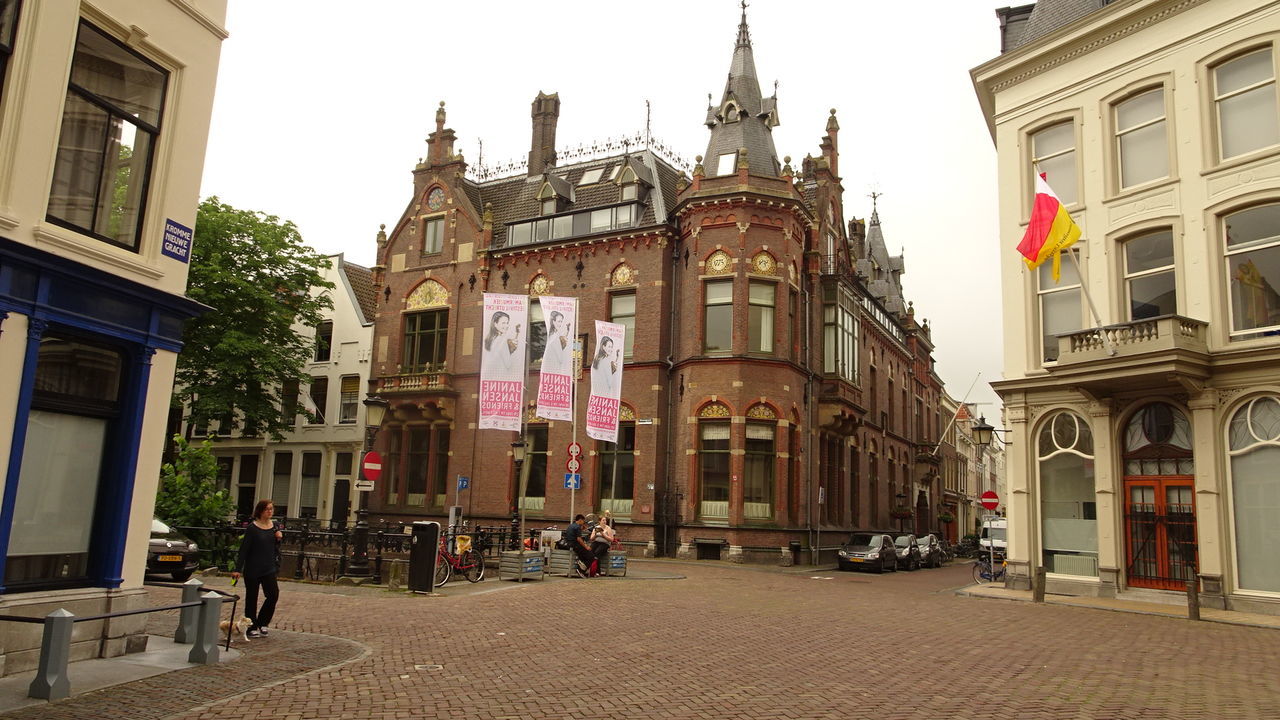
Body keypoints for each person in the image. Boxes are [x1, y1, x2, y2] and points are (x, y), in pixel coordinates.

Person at [232, 500, 282, 638]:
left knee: (273, 594)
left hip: (269, 567)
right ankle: (251, 626)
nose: (270, 512)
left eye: (271, 509)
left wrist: (279, 538)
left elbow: (276, 547)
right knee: (252, 598)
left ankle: (263, 622)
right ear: (260, 511)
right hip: (253, 568)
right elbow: (244, 550)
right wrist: (238, 569)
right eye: (267, 509)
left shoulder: (275, 526)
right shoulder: (252, 528)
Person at [483, 311, 522, 376]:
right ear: (495, 324)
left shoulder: (491, 339)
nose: (506, 325)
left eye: (507, 323)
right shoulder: (502, 340)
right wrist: (510, 350)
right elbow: (508, 364)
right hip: (500, 376)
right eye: (503, 323)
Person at [541, 310, 572, 375]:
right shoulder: (554, 337)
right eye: (559, 321)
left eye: (561, 321)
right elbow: (560, 358)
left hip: (552, 369)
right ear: (553, 321)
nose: (560, 324)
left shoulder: (553, 335)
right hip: (553, 369)